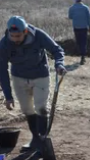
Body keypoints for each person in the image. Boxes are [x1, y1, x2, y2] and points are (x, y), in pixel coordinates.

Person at [0, 16, 66, 152]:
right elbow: (2, 70)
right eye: (12, 36)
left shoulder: (38, 35)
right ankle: (35, 139)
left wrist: (59, 64)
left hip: (40, 76)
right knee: (27, 109)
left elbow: (57, 50)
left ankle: (42, 139)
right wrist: (8, 96)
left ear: (25, 31)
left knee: (41, 107)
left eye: (18, 36)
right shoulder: (4, 44)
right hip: (19, 78)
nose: (15, 39)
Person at [68, 0, 90, 65]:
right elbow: (89, 18)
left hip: (76, 27)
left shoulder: (71, 8)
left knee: (78, 41)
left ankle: (81, 54)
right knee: (83, 42)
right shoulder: (85, 8)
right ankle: (83, 56)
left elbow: (70, 17)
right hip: (84, 27)